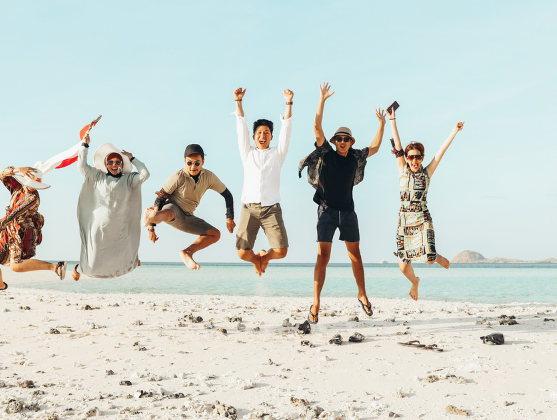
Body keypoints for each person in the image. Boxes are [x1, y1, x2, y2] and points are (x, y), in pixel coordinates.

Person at [296, 82, 385, 322]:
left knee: (355, 255)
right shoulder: (326, 152)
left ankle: (362, 295)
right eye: (339, 138)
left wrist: (382, 124)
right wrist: (322, 100)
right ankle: (315, 303)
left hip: (347, 212)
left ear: (351, 142)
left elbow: (375, 147)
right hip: (326, 211)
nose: (343, 141)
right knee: (322, 257)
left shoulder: (355, 157)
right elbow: (316, 126)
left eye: (346, 138)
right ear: (335, 141)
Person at [389, 111, 465, 300]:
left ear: (422, 158)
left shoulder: (427, 173)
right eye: (411, 157)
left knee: (430, 258)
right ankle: (415, 282)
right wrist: (392, 120)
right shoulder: (401, 170)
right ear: (406, 157)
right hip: (405, 221)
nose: (414, 160)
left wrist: (454, 131)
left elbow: (440, 152)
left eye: (418, 157)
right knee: (403, 266)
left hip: (423, 218)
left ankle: (436, 256)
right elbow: (397, 145)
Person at [71, 131, 151, 280]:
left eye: (118, 162)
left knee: (121, 255)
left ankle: (131, 261)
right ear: (106, 164)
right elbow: (81, 167)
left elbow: (145, 174)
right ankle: (79, 268)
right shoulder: (97, 176)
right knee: (94, 260)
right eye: (111, 162)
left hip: (119, 225)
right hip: (99, 225)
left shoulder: (129, 179)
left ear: (122, 164)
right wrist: (85, 146)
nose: (114, 165)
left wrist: (133, 158)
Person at [232, 87, 294, 276]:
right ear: (254, 137)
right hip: (249, 208)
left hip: (271, 208)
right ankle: (255, 259)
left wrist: (288, 103)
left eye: (266, 133)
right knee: (242, 253)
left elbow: (287, 131)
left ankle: (263, 258)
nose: (262, 136)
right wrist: (238, 102)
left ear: (271, 137)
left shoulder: (277, 154)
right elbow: (241, 127)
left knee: (282, 251)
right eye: (259, 133)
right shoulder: (247, 153)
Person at [143, 143, 234, 270]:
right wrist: (151, 228)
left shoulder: (209, 177)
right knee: (168, 213)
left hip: (187, 217)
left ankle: (188, 252)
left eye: (197, 163)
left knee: (215, 234)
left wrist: (229, 217)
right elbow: (161, 198)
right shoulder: (177, 176)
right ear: (184, 161)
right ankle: (150, 218)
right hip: (173, 207)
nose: (193, 167)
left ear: (203, 162)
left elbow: (227, 195)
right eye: (189, 163)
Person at [0, 166, 66, 294]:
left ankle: (55, 267)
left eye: (35, 185)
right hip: (8, 230)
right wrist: (17, 170)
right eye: (31, 183)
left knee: (16, 266)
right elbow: (1, 174)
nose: (32, 187)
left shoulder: (33, 198)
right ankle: (0, 285)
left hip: (21, 233)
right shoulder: (17, 188)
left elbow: (13, 214)